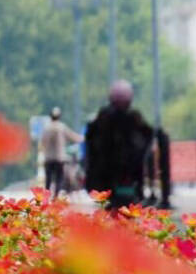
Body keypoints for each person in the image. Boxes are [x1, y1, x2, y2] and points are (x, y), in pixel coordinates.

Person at [83, 80, 156, 210]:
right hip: (122, 172)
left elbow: (91, 143)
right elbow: (147, 137)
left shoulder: (104, 116)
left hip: (112, 173)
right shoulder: (134, 117)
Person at [38, 107, 83, 195]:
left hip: (48, 158)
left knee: (48, 179)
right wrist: (84, 138)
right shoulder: (62, 127)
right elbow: (73, 137)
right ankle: (56, 196)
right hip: (59, 158)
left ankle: (46, 196)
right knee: (59, 178)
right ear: (59, 116)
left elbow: (42, 142)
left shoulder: (46, 128)